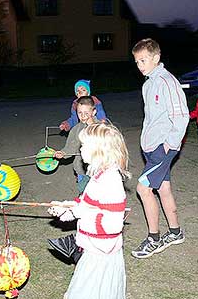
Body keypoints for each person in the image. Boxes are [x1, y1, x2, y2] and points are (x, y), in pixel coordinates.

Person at [48, 123, 129, 299]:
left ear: (98, 151)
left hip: (101, 251)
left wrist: (79, 213)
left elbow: (112, 224)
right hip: (94, 247)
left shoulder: (110, 182)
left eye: (84, 145)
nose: (80, 148)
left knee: (92, 290)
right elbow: (85, 203)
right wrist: (66, 208)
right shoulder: (99, 175)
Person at [130, 38, 189, 259]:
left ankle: (153, 239)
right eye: (136, 61)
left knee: (143, 189)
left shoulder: (167, 82)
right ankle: (175, 232)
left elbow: (181, 117)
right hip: (151, 148)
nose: (140, 65)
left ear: (156, 58)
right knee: (163, 189)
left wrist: (169, 145)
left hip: (163, 149)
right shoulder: (148, 84)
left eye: (143, 60)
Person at [48, 96, 100, 263]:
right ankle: (83, 241)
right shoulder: (76, 129)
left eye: (86, 113)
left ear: (94, 111)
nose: (83, 116)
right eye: (80, 113)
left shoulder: (102, 128)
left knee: (96, 207)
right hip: (83, 174)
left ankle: (94, 237)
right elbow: (70, 148)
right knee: (84, 206)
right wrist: (62, 153)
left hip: (99, 175)